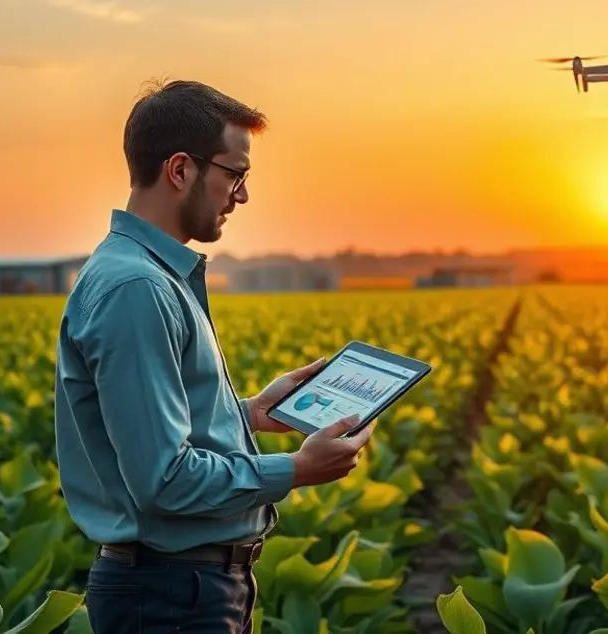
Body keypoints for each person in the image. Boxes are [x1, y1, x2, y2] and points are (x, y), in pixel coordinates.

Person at [53, 79, 375, 633]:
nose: (242, 194)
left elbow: (148, 428)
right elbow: (164, 479)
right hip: (169, 596)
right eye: (236, 174)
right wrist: (297, 469)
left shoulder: (145, 274)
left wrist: (248, 413)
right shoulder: (137, 288)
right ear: (180, 170)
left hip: (183, 589)